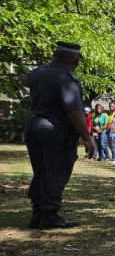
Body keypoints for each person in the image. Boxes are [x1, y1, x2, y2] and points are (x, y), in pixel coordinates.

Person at [24, 42, 95, 228]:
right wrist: (87, 137)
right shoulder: (66, 79)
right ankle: (49, 216)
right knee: (55, 170)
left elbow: (27, 82)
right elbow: (73, 111)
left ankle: (38, 213)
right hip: (55, 130)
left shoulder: (38, 73)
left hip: (35, 125)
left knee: (41, 170)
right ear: (75, 59)